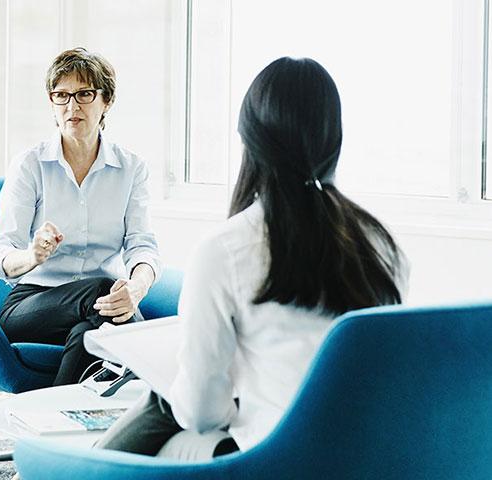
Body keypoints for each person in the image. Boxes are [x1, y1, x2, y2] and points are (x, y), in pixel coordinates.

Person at [97, 57, 409, 460]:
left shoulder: (226, 249)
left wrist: (235, 403)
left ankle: (61, 471)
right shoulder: (379, 246)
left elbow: (200, 414)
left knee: (168, 400)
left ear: (248, 139)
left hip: (278, 463)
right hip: (373, 458)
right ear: (335, 139)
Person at [0, 47, 161, 386]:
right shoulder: (30, 164)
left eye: (84, 94)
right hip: (33, 303)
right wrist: (32, 255)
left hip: (102, 308)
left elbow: (143, 245)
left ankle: (53, 422)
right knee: (102, 291)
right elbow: (0, 254)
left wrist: (137, 289)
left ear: (106, 100)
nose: (72, 106)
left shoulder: (131, 168)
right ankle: (150, 366)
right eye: (61, 95)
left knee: (88, 331)